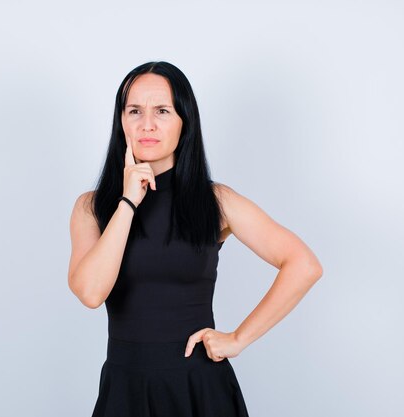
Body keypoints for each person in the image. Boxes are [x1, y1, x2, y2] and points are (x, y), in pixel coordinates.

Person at [68, 61, 323, 416]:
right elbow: (91, 292)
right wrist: (128, 201)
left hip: (199, 390)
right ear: (121, 121)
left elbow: (303, 264)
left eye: (162, 111)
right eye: (135, 111)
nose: (147, 124)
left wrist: (237, 339)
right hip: (125, 393)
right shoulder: (92, 207)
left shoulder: (215, 201)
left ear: (184, 120)